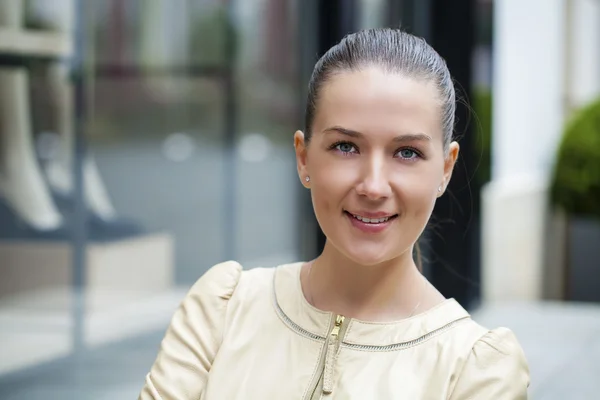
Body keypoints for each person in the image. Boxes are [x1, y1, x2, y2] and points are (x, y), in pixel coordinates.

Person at [138, 28, 530, 399]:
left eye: (407, 152)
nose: (373, 186)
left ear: (445, 169)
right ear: (304, 157)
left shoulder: (475, 369)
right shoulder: (222, 309)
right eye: (346, 146)